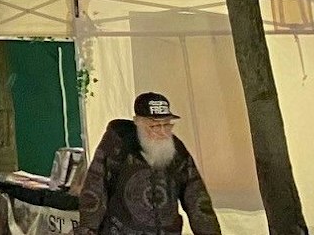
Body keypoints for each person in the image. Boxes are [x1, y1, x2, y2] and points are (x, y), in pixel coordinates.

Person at [74, 92, 220, 235]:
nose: (162, 132)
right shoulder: (117, 145)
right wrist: (88, 229)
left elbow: (197, 199)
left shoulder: (177, 151)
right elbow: (95, 189)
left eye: (167, 125)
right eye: (154, 126)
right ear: (137, 122)